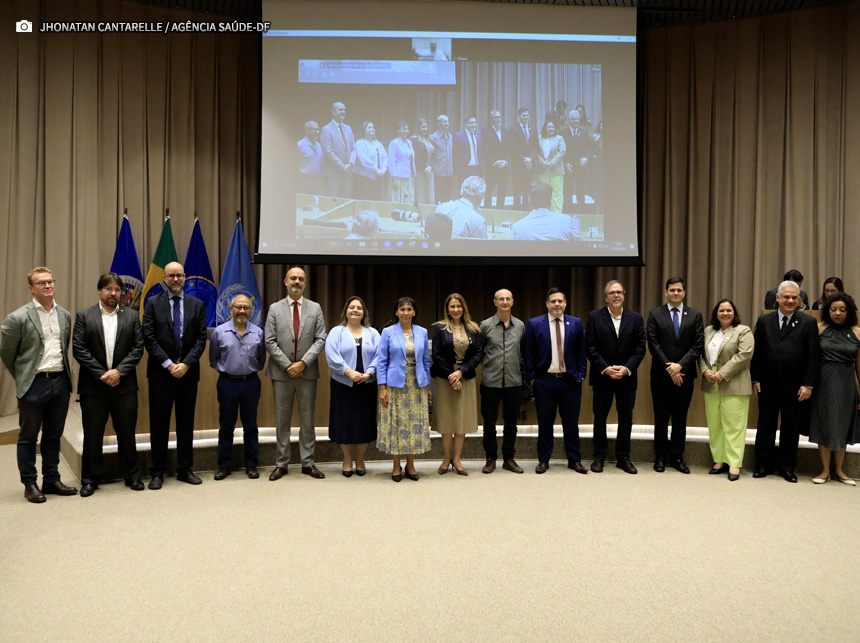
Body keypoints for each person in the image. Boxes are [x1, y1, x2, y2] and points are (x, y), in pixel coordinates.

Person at [0, 267, 78, 503]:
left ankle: (51, 479)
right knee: (28, 436)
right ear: (31, 288)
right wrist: (25, 376)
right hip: (34, 384)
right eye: (41, 283)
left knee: (54, 435)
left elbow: (64, 348)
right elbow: (7, 353)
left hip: (60, 382)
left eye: (50, 281)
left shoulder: (64, 314)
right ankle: (30, 483)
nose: (47, 286)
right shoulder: (18, 317)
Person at [72, 272, 144, 497]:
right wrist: (103, 374)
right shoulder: (85, 316)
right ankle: (90, 479)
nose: (113, 293)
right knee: (93, 434)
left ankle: (131, 475)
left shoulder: (132, 316)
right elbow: (79, 349)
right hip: (94, 387)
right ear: (99, 291)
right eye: (108, 289)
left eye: (117, 290)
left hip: (124, 386)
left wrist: (119, 372)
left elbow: (137, 348)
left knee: (127, 433)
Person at [142, 262, 208, 489]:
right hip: (161, 374)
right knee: (159, 424)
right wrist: (170, 365)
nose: (176, 279)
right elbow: (148, 338)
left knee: (185, 423)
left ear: (185, 277)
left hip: (188, 374)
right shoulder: (152, 303)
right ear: (164, 278)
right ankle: (157, 472)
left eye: (179, 275)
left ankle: (184, 469)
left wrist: (186, 364)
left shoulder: (197, 305)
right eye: (171, 276)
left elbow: (201, 339)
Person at [751, 280, 820, 482]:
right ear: (777, 298)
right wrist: (755, 378)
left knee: (791, 428)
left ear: (799, 300)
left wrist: (808, 384)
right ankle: (763, 464)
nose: (790, 300)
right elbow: (757, 353)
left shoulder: (808, 323)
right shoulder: (764, 321)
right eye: (786, 297)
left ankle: (787, 467)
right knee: (766, 426)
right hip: (767, 384)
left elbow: (812, 356)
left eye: (794, 297)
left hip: (796, 387)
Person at [265, 266, 327, 480]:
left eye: (301, 279)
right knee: (282, 420)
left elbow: (320, 339)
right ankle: (281, 464)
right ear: (285, 281)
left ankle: (308, 463)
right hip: (281, 374)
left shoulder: (315, 308)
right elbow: (269, 341)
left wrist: (302, 363)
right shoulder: (274, 309)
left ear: (305, 283)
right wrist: (287, 365)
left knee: (307, 420)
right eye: (293, 278)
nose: (297, 282)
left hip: (307, 373)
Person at [584, 280, 646, 474]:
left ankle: (623, 458)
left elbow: (640, 348)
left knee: (626, 418)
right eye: (612, 293)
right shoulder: (595, 317)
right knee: (600, 417)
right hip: (603, 377)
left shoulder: (636, 318)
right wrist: (605, 368)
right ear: (606, 298)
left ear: (624, 296)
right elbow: (590, 347)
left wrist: (626, 368)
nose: (616, 295)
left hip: (627, 378)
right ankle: (599, 456)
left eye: (619, 292)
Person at [524, 287, 588, 474]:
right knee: (545, 423)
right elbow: (529, 354)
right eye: (553, 301)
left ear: (565, 303)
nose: (557, 304)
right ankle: (543, 460)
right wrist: (533, 378)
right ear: (547, 304)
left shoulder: (575, 323)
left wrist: (581, 375)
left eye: (560, 301)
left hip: (570, 382)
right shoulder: (535, 324)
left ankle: (574, 460)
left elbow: (581, 353)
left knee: (571, 424)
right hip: (545, 381)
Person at [646, 277, 705, 474]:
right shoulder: (655, 314)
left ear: (684, 293)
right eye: (672, 290)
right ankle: (660, 456)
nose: (676, 293)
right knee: (661, 418)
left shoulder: (695, 315)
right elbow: (653, 344)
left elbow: (698, 345)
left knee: (680, 418)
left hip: (685, 376)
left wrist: (680, 366)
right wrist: (670, 368)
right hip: (661, 376)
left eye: (679, 290)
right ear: (666, 292)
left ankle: (677, 456)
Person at [209, 294, 266, 481]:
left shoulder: (258, 332)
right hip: (227, 383)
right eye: (238, 307)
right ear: (231, 308)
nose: (242, 311)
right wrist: (228, 371)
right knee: (226, 426)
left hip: (250, 383)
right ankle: (224, 465)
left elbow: (261, 360)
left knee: (251, 426)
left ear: (251, 310)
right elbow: (214, 359)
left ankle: (251, 464)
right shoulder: (219, 332)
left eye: (246, 308)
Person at [698, 299, 754, 482]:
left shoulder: (743, 331)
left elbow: (744, 356)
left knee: (734, 426)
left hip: (733, 382)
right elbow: (700, 353)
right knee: (715, 424)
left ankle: (734, 464)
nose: (725, 313)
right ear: (716, 313)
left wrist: (721, 374)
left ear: (734, 312)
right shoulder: (708, 331)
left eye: (728, 310)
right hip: (710, 380)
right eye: (721, 310)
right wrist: (705, 370)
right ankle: (719, 460)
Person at [376, 297, 431, 482]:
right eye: (402, 309)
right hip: (394, 385)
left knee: (414, 424)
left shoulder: (422, 332)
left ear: (414, 312)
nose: (406, 312)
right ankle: (396, 465)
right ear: (396, 312)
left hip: (417, 385)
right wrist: (381, 388)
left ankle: (411, 464)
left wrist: (427, 385)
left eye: (409, 309)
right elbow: (381, 361)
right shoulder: (388, 332)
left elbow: (426, 361)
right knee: (397, 424)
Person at [325, 296, 380, 477]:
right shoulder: (337, 332)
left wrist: (369, 372)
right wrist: (349, 372)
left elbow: (380, 356)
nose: (355, 310)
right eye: (352, 307)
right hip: (343, 385)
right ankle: (347, 459)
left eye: (359, 308)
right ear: (346, 311)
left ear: (364, 313)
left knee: (364, 423)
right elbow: (332, 355)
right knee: (345, 423)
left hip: (367, 385)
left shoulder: (372, 333)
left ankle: (361, 459)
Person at [808, 292, 860, 484]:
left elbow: (859, 367)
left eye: (842, 310)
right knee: (825, 424)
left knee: (843, 426)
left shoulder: (857, 332)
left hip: (847, 383)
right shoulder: (819, 329)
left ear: (849, 312)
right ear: (827, 311)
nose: (837, 313)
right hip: (824, 382)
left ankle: (839, 470)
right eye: (833, 309)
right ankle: (824, 470)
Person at [432, 293, 483, 476]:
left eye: (458, 306)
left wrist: (460, 372)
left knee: (461, 420)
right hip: (445, 378)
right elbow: (436, 355)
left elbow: (478, 354)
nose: (455, 309)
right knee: (447, 421)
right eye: (452, 306)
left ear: (464, 308)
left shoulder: (474, 328)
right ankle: (446, 458)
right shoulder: (439, 328)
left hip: (466, 377)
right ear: (447, 308)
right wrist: (451, 376)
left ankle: (457, 459)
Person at [479, 288, 525, 474]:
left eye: (508, 299)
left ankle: (509, 458)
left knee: (511, 423)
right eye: (501, 299)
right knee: (489, 423)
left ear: (512, 302)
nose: (505, 302)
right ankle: (490, 458)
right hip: (490, 382)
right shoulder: (485, 326)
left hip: (514, 382)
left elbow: (523, 352)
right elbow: (479, 352)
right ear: (495, 302)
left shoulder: (520, 326)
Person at [512, 181, 580, 241]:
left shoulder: (518, 227)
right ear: (550, 200)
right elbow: (581, 245)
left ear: (530, 201)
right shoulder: (567, 221)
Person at [320, 101, 356, 198]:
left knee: (346, 202)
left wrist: (350, 164)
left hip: (347, 173)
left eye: (344, 110)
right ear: (333, 112)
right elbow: (328, 152)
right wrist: (342, 166)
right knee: (333, 202)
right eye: (340, 110)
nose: (343, 112)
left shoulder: (348, 128)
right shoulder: (326, 129)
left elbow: (354, 148)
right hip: (333, 174)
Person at [562, 109, 593, 213]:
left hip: (581, 167)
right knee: (567, 193)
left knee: (581, 192)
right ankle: (568, 214)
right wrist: (565, 163)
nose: (576, 121)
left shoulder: (584, 133)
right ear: (569, 120)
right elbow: (560, 150)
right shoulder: (563, 133)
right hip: (568, 167)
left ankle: (581, 214)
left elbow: (589, 148)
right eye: (573, 119)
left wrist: (586, 158)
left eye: (577, 119)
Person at [534, 121, 566, 213]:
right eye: (549, 127)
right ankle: (543, 214)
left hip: (556, 170)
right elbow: (536, 151)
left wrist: (552, 162)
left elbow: (562, 151)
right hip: (542, 170)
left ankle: (556, 214)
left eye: (552, 127)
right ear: (545, 128)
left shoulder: (559, 138)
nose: (551, 129)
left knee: (556, 194)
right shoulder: (539, 138)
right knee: (542, 194)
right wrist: (542, 162)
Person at [481, 110, 509, 208]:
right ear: (491, 120)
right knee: (489, 191)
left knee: (502, 191)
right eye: (496, 117)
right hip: (492, 166)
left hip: (504, 167)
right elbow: (485, 149)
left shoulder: (505, 131)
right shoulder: (485, 131)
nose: (499, 119)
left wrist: (505, 161)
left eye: (500, 117)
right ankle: (488, 212)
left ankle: (500, 212)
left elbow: (508, 148)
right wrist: (495, 161)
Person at [353, 121, 387, 201]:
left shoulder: (378, 143)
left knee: (376, 201)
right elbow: (364, 160)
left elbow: (385, 157)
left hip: (378, 177)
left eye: (373, 127)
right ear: (363, 130)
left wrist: (383, 170)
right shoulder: (360, 143)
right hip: (364, 179)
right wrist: (376, 170)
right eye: (369, 127)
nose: (372, 129)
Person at [508, 107, 534, 209]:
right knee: (517, 189)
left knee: (527, 189)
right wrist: (524, 159)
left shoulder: (532, 128)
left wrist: (530, 158)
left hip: (530, 165)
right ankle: (517, 209)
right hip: (518, 164)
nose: (526, 117)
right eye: (523, 116)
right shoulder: (513, 128)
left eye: (527, 115)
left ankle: (526, 209)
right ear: (519, 116)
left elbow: (536, 146)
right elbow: (513, 146)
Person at [388, 121, 416, 204]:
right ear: (398, 131)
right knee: (398, 199)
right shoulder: (394, 143)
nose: (406, 131)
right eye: (404, 129)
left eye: (407, 129)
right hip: (398, 177)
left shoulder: (409, 142)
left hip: (409, 176)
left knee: (408, 200)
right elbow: (391, 162)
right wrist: (394, 178)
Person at [429, 114, 454, 203]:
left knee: (447, 198)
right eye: (444, 121)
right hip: (438, 172)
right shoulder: (433, 137)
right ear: (439, 123)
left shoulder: (450, 136)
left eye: (448, 121)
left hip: (449, 172)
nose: (447, 123)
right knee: (437, 198)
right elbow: (430, 156)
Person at [411, 118, 435, 205]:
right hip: (420, 171)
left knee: (429, 193)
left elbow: (434, 156)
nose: (425, 129)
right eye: (423, 127)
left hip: (430, 171)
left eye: (426, 127)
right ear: (418, 128)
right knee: (420, 193)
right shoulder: (414, 140)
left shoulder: (429, 139)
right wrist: (425, 168)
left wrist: (430, 166)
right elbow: (416, 157)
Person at [453, 115, 482, 183]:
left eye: (475, 123)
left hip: (477, 168)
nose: (473, 125)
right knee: (464, 191)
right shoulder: (458, 136)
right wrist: (458, 169)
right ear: (466, 124)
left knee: (477, 191)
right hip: (465, 169)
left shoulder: (479, 134)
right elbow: (455, 154)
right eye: (471, 123)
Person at [297, 120, 323, 194]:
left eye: (318, 129)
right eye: (314, 130)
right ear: (307, 131)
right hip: (304, 180)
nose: (317, 132)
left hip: (317, 180)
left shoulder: (318, 145)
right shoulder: (300, 145)